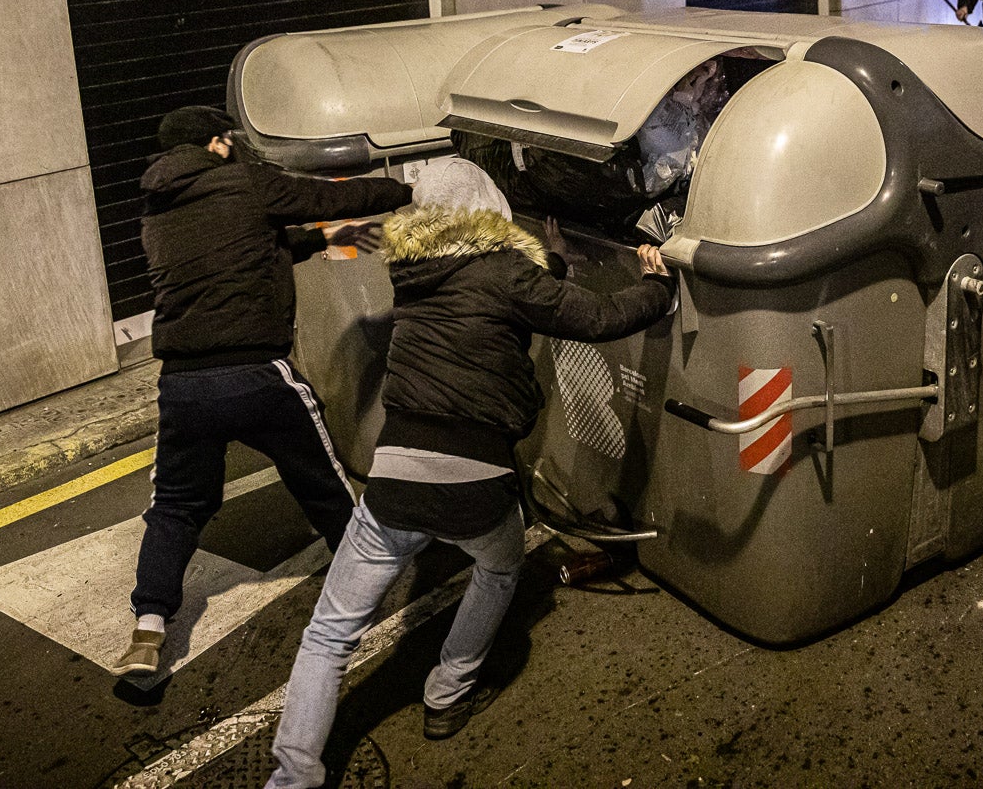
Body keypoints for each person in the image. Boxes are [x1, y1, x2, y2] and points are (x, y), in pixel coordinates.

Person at [265, 158, 676, 789]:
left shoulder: (413, 272)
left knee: (328, 633)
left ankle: (292, 777)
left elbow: (494, 294)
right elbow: (591, 318)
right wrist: (656, 286)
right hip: (476, 477)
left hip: (394, 475)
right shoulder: (506, 271)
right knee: (500, 565)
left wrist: (550, 260)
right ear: (491, 205)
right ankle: (446, 695)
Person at [112, 106, 412, 678]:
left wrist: (334, 240)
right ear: (219, 143)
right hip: (256, 372)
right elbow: (324, 200)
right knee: (322, 483)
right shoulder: (243, 180)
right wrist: (401, 191)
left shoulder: (156, 208)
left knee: (175, 505)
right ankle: (364, 588)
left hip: (182, 383)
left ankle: (147, 631)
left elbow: (248, 249)